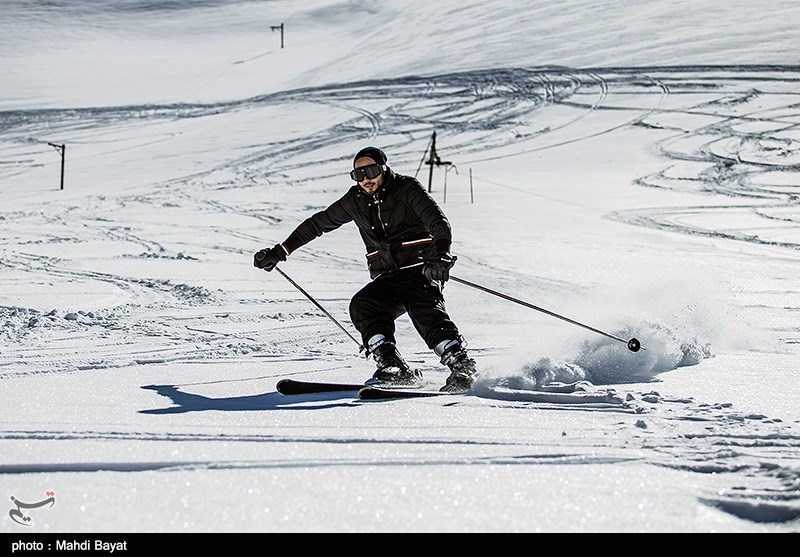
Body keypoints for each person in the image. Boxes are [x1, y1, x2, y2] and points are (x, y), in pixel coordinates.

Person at [254, 146, 477, 393]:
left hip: (421, 269)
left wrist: (441, 254)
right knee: (364, 304)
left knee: (422, 304)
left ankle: (461, 364)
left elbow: (437, 222)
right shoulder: (355, 200)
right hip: (388, 275)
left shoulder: (406, 189)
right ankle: (392, 368)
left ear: (382, 168)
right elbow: (317, 224)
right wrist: (280, 251)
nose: (366, 179)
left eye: (370, 171)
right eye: (358, 174)